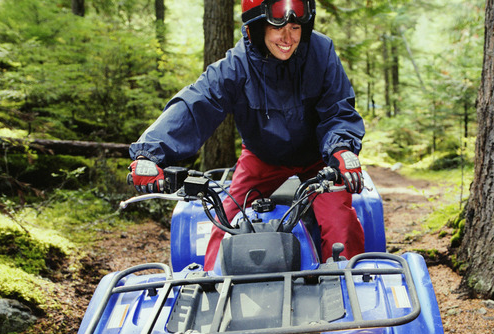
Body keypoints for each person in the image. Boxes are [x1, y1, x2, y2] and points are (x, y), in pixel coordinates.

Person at [126, 0, 366, 270]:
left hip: (319, 157)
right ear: (257, 28)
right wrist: (150, 153)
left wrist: (342, 148)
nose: (288, 38)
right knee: (225, 222)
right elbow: (195, 104)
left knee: (339, 222)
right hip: (262, 157)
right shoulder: (236, 65)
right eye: (278, 27)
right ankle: (214, 295)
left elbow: (339, 109)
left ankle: (351, 289)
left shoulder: (321, 52)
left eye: (296, 27)